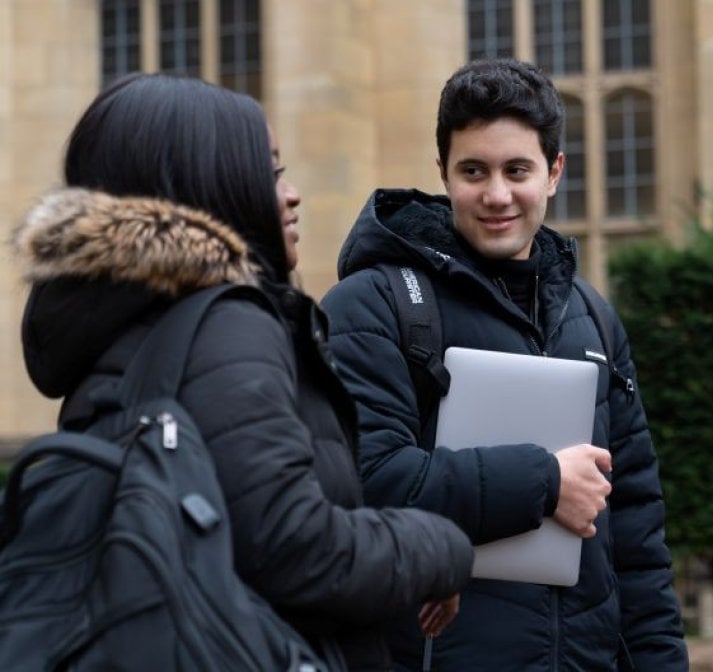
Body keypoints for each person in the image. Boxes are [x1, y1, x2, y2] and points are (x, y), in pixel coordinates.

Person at [12, 72, 473, 671]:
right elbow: (293, 549)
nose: (293, 193)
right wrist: (443, 545)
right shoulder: (228, 323)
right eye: (272, 171)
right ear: (209, 183)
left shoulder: (126, 324)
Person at [321, 58, 689, 671]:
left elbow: (637, 533)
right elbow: (366, 483)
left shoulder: (591, 315)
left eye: (517, 169)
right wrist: (545, 482)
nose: (496, 195)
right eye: (473, 171)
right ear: (443, 173)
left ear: (554, 173)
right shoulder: (372, 304)